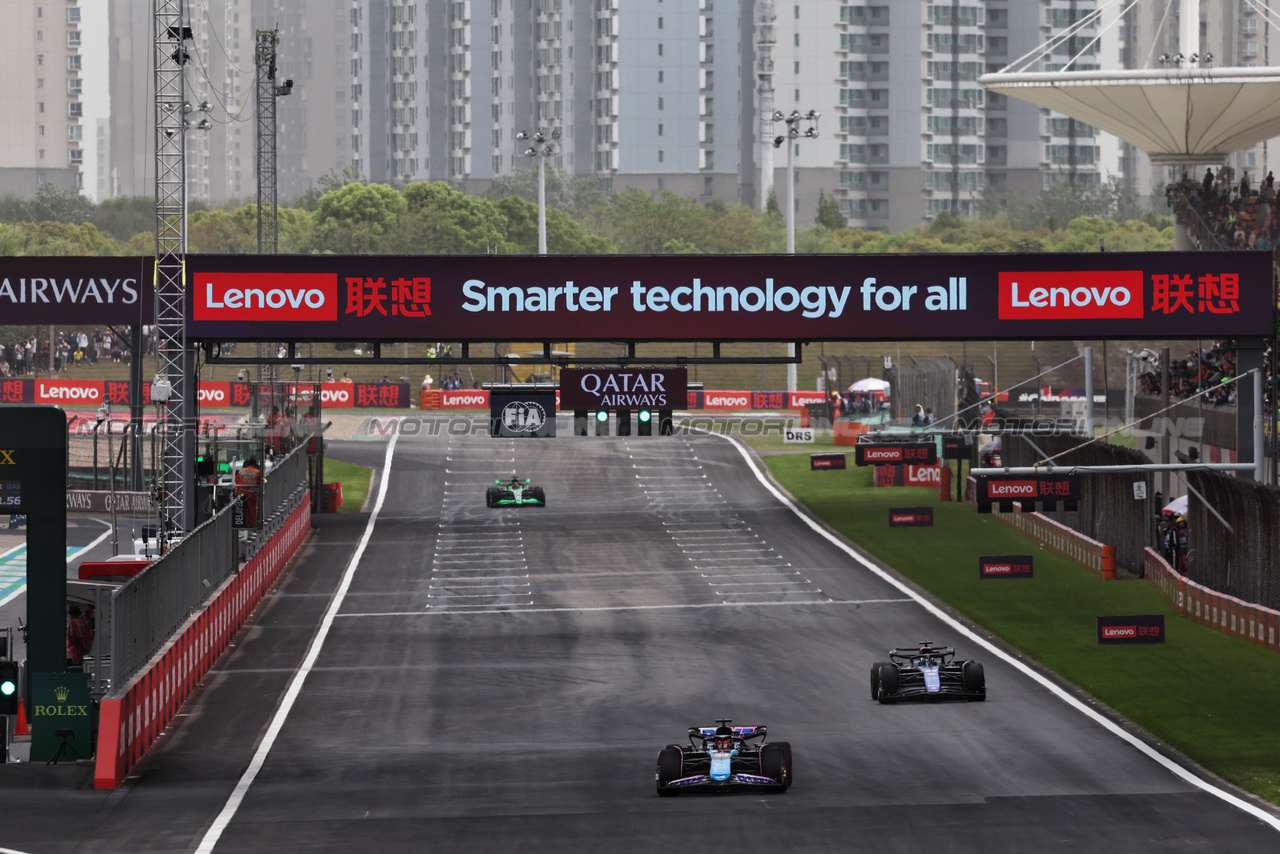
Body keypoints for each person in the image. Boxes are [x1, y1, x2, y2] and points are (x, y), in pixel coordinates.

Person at [234, 457, 262, 528]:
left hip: (240, 493)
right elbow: (260, 482)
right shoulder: (257, 472)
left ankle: (244, 523)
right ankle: (251, 524)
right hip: (251, 493)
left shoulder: (241, 471)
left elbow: (236, 480)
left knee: (242, 509)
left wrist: (243, 485)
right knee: (251, 509)